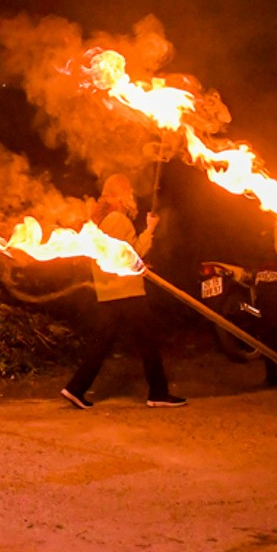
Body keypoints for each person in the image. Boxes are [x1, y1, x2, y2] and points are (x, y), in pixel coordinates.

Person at [61, 175, 182, 409]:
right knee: (148, 340)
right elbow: (133, 254)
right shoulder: (118, 219)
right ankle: (158, 393)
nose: (132, 196)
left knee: (103, 342)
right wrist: (150, 230)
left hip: (110, 291)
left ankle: (75, 388)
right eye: (128, 191)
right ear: (119, 195)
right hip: (127, 291)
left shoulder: (103, 220)